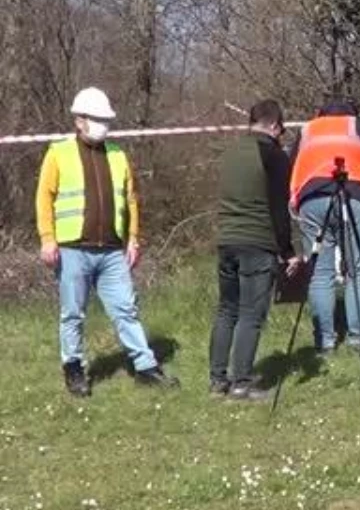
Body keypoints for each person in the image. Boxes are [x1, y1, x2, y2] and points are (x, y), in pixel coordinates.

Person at [35, 87, 179, 397]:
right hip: (73, 248)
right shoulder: (58, 153)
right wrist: (48, 239)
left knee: (126, 309)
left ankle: (145, 367)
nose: (104, 124)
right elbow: (43, 198)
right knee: (72, 313)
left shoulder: (118, 155)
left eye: (106, 119)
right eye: (97, 118)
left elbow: (131, 200)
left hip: (112, 250)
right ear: (79, 120)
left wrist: (133, 240)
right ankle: (73, 368)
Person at [289, 97, 360, 354]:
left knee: (320, 272)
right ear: (352, 113)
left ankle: (324, 342)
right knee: (357, 270)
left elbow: (289, 165)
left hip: (311, 200)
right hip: (351, 196)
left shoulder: (307, 130)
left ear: (321, 113)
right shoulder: (356, 126)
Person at [209, 100, 302, 401]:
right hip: (257, 242)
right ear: (274, 125)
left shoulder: (231, 152)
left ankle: (217, 381)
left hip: (226, 240)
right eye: (282, 130)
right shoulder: (273, 155)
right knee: (251, 314)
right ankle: (242, 383)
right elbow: (279, 208)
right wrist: (288, 251)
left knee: (226, 310)